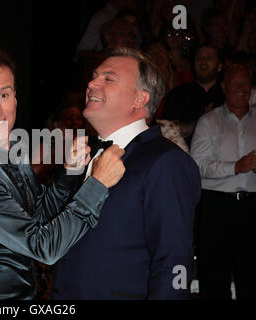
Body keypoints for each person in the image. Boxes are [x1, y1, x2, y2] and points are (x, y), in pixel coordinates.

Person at [0, 45, 125, 300]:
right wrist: (98, 183)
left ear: (15, 96)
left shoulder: (5, 145)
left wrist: (70, 173)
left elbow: (37, 216)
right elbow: (44, 247)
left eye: (4, 95)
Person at [52, 47, 202, 300]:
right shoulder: (82, 153)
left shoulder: (166, 162)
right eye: (95, 75)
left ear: (139, 99)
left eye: (108, 78)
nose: (91, 83)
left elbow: (174, 260)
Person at [191, 63, 256, 299]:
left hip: (252, 207)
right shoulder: (208, 121)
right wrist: (236, 167)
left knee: (252, 279)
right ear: (224, 87)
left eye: (245, 83)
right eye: (235, 83)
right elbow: (197, 166)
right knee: (214, 280)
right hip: (217, 208)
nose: (241, 88)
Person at [162, 44, 225, 146]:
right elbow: (166, 133)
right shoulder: (178, 94)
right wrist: (202, 122)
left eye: (209, 58)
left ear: (219, 66)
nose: (203, 62)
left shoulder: (227, 95)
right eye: (199, 58)